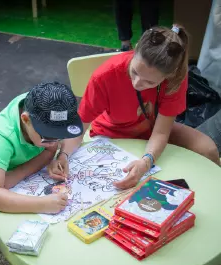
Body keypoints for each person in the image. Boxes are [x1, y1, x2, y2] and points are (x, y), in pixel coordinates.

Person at [48, 25, 220, 190]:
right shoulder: (105, 75)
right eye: (135, 72)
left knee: (208, 149)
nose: (137, 83)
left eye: (150, 82)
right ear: (135, 50)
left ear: (169, 75)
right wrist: (63, 155)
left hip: (152, 130)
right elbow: (79, 127)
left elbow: (161, 132)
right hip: (111, 133)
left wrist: (146, 161)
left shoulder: (176, 80)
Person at [0, 82, 83, 213]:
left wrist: (60, 156)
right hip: (4, 184)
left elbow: (50, 150)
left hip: (18, 177)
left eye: (60, 136)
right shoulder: (0, 139)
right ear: (26, 119)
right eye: (48, 136)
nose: (54, 143)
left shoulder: (46, 103)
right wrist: (42, 204)